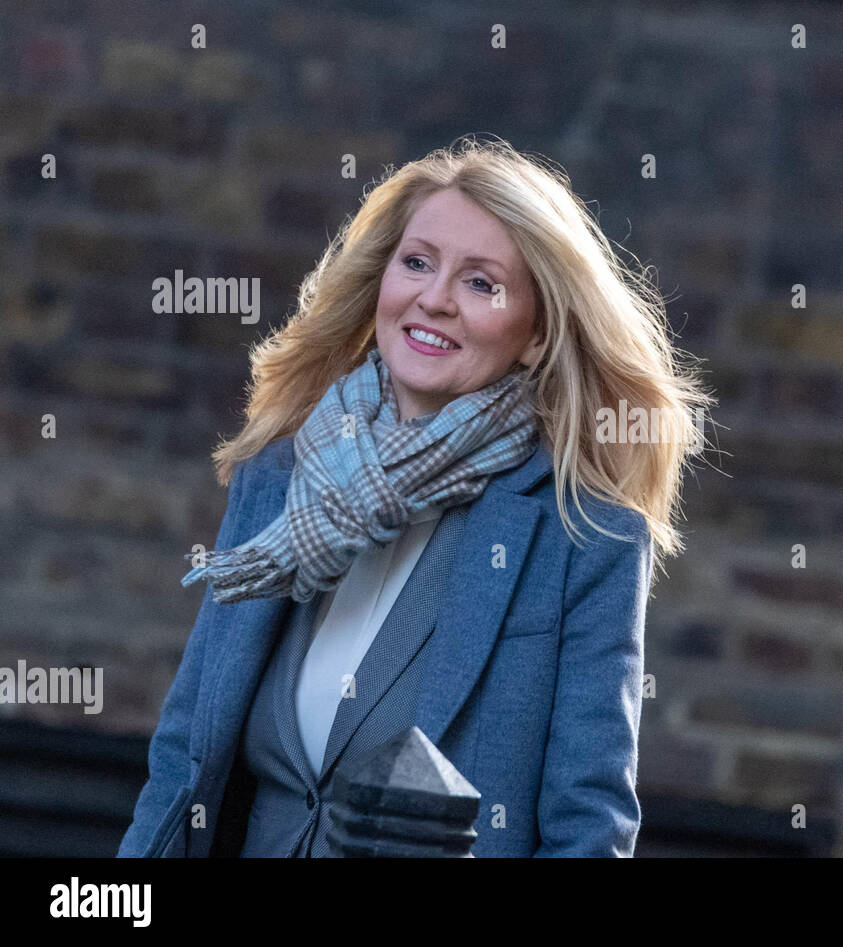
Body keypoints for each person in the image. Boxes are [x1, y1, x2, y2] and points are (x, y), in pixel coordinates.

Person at [116, 135, 711, 857]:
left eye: (481, 283)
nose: (435, 298)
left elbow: (589, 826)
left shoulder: (584, 536)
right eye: (418, 263)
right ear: (381, 282)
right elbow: (184, 757)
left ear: (535, 336)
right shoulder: (276, 479)